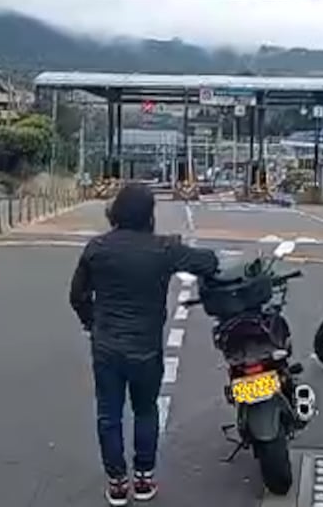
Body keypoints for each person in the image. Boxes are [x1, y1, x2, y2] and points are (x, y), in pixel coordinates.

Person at [69, 183, 220, 506]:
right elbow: (207, 262)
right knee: (145, 410)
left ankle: (117, 483)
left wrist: (92, 323)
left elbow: (77, 296)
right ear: (149, 215)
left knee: (109, 415)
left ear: (116, 212)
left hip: (106, 346)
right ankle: (144, 478)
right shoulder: (162, 249)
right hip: (146, 348)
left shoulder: (97, 248)